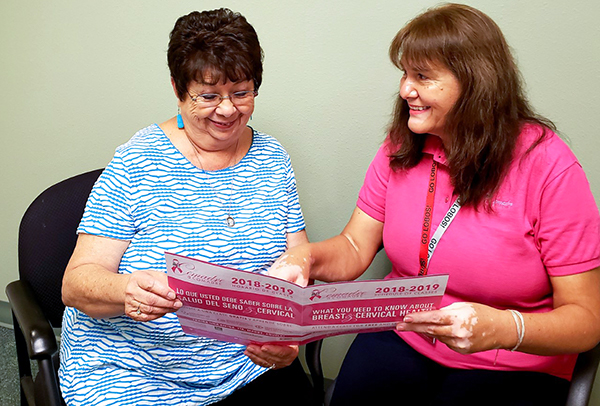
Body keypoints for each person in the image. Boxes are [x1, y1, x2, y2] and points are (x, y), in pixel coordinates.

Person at [268, 4, 600, 405]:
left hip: (510, 361)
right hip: (403, 332)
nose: (406, 89)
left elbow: (586, 320)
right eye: (405, 74)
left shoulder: (548, 165)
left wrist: (501, 329)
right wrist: (304, 257)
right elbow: (355, 248)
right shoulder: (400, 147)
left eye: (422, 76)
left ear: (476, 83)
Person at [59, 8, 313, 406]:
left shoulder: (272, 157)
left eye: (242, 92)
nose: (228, 110)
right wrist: (127, 289)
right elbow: (75, 284)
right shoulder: (137, 161)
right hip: (134, 372)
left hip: (244, 362)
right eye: (208, 96)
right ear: (178, 89)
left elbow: (297, 256)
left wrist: (286, 333)